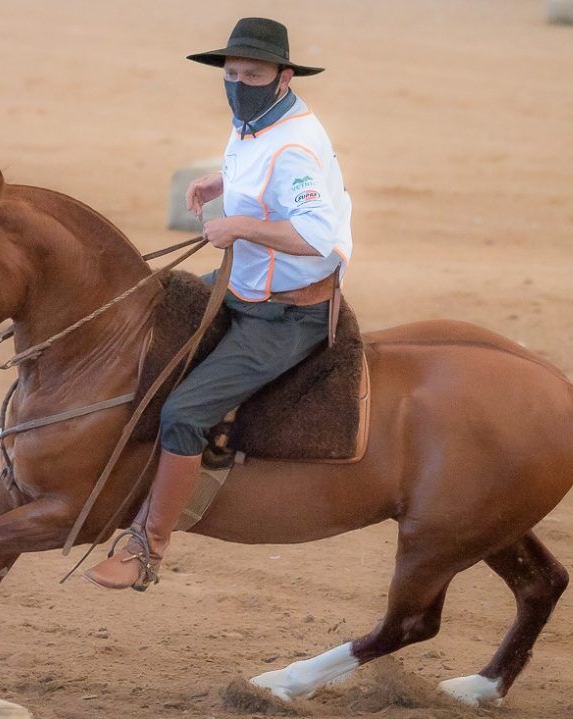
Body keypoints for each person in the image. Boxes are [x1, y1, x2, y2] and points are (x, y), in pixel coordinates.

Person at [85, 17, 353, 591]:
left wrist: (241, 225)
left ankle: (147, 547)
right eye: (230, 74)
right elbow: (260, 174)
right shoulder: (254, 121)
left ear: (284, 76)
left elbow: (317, 237)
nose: (238, 83)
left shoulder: (297, 146)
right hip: (243, 283)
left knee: (184, 412)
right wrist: (222, 183)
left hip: (286, 310)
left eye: (252, 74)